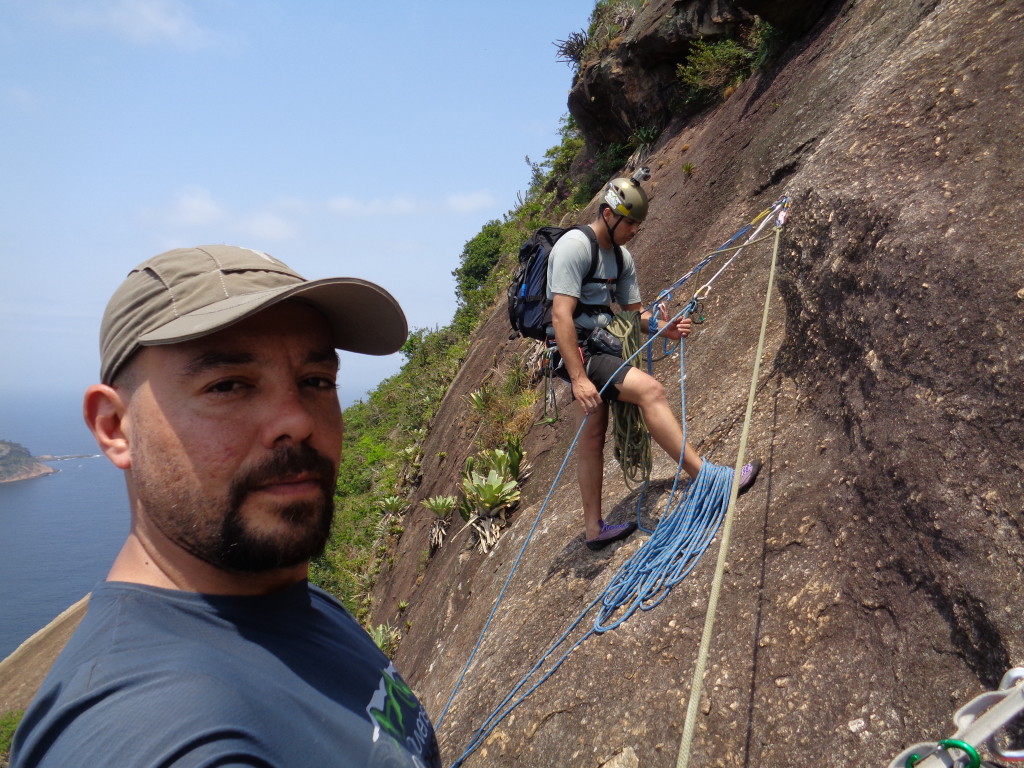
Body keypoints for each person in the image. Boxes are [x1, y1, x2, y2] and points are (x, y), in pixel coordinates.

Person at [10, 245, 441, 768]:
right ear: (115, 427)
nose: (297, 421)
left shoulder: (298, 604)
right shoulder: (150, 728)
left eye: (316, 381)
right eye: (228, 385)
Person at [547, 171, 761, 551]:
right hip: (577, 351)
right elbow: (560, 315)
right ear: (608, 214)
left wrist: (665, 328)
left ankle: (594, 529)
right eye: (630, 223)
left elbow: (634, 314)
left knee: (592, 435)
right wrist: (579, 379)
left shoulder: (621, 258)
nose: (635, 231)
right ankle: (709, 479)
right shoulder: (574, 247)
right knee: (650, 391)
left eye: (638, 224)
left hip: (601, 345)